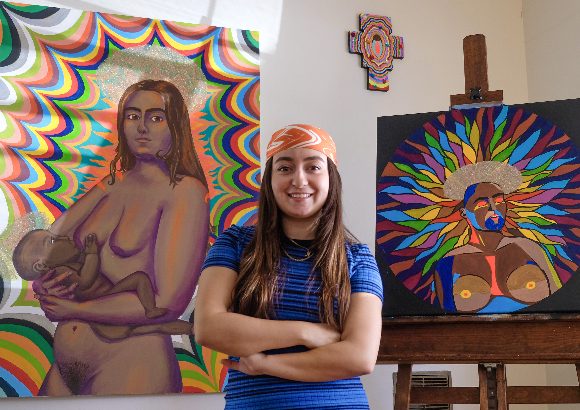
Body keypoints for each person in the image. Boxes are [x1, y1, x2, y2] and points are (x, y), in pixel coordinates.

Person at [31, 76, 209, 395]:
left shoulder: (185, 193)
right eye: (132, 116)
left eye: (156, 117)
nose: (142, 127)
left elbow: (167, 302)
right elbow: (50, 240)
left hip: (133, 363)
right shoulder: (111, 184)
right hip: (65, 366)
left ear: (176, 127)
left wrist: (76, 310)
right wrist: (47, 282)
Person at [195, 124, 383, 409]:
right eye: (284, 168)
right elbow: (209, 327)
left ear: (331, 178)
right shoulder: (235, 244)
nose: (299, 180)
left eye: (313, 167)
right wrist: (306, 332)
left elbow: (359, 357)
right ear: (269, 180)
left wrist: (265, 364)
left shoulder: (357, 259)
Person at [13, 229, 192, 340]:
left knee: (156, 324)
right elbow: (85, 281)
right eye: (52, 241)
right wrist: (92, 254)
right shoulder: (60, 273)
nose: (62, 237)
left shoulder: (64, 267)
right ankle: (152, 310)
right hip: (105, 309)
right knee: (140, 283)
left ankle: (169, 318)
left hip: (109, 305)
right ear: (41, 265)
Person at [434, 161, 561, 313]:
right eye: (482, 204)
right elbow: (447, 316)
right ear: (464, 213)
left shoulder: (529, 248)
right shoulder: (449, 263)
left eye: (499, 201)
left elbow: (557, 300)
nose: (493, 209)